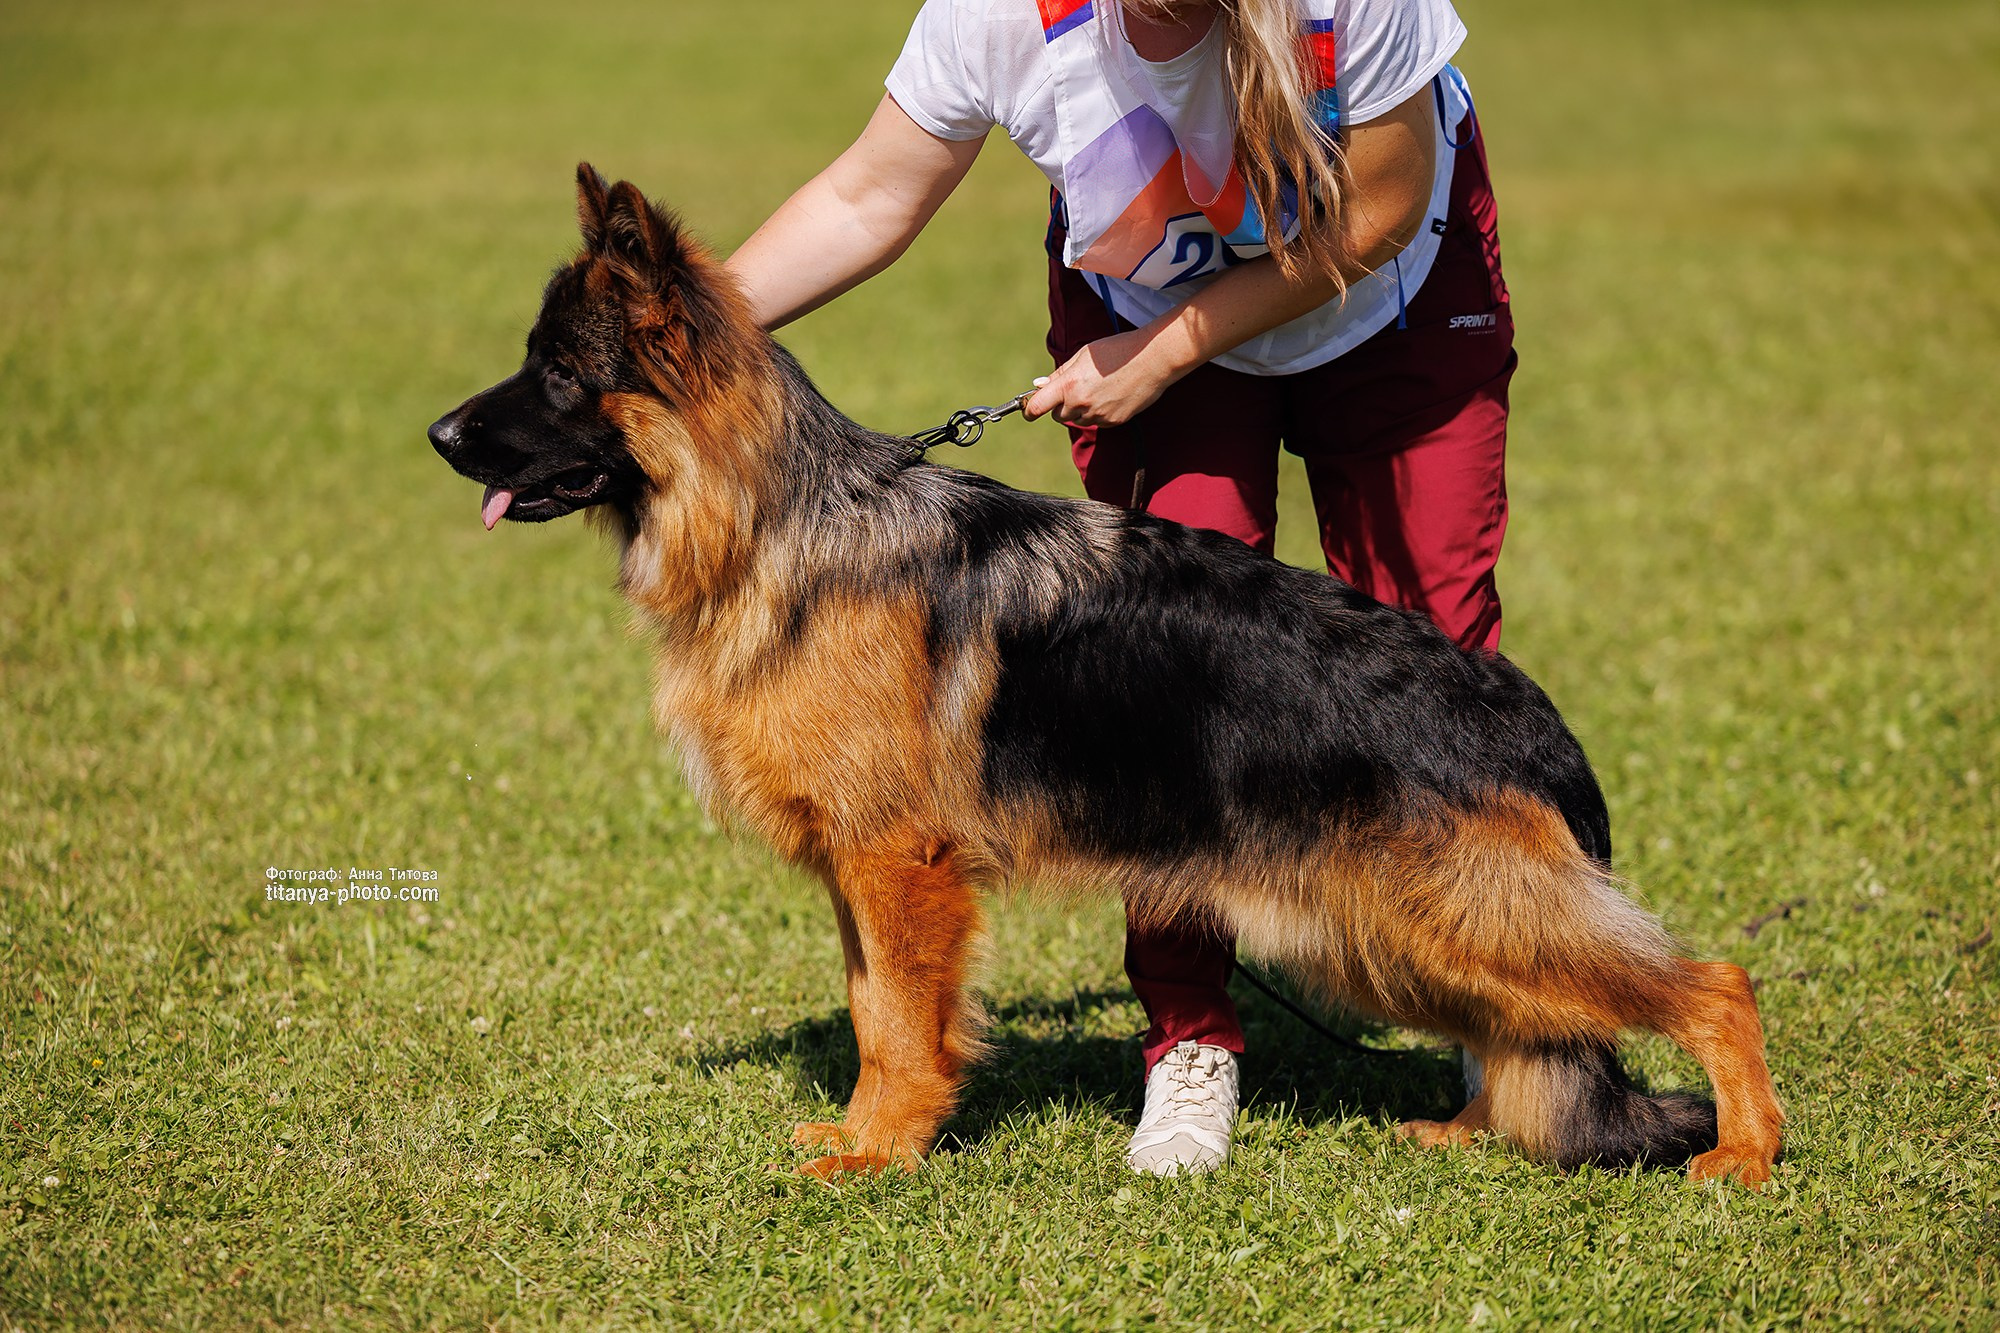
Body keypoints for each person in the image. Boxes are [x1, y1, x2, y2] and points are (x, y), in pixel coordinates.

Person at [723, 0, 1514, 1176]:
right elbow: (864, 197)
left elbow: (1381, 204)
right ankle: (1188, 1037)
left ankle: (1503, 1013)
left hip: (1385, 291)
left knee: (1433, 641)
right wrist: (672, 334)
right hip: (1142, 304)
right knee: (1158, 684)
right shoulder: (995, 16)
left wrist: (1170, 353)